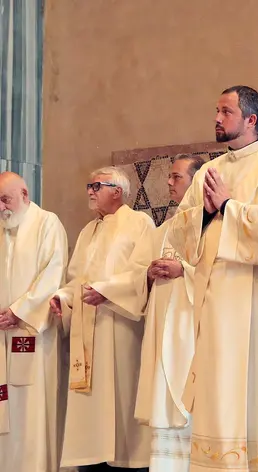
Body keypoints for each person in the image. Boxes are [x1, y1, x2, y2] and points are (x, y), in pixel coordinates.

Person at [165, 85, 258, 472]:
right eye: (216, 110)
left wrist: (228, 206)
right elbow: (179, 229)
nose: (216, 118)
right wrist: (207, 214)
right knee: (219, 393)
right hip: (216, 303)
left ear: (251, 120)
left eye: (225, 111)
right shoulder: (209, 172)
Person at [103, 154, 205, 472]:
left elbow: (219, 274)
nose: (170, 183)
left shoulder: (213, 224)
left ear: (196, 180)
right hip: (164, 335)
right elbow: (136, 275)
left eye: (177, 177)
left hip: (193, 335)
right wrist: (149, 273)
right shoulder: (164, 229)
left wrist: (183, 270)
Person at [51, 166, 155, 471]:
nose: (90, 191)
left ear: (117, 191)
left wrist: (106, 291)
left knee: (120, 402)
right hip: (89, 329)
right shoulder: (88, 231)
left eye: (96, 186)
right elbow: (76, 279)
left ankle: (125, 461)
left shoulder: (140, 224)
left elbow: (143, 272)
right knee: (91, 412)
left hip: (120, 329)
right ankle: (91, 462)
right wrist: (64, 297)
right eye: (89, 186)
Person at [0, 172, 68, 472]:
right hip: (1, 335)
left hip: (31, 332)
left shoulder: (47, 223)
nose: (2, 208)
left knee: (30, 408)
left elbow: (53, 273)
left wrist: (19, 310)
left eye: (6, 199)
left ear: (25, 194)